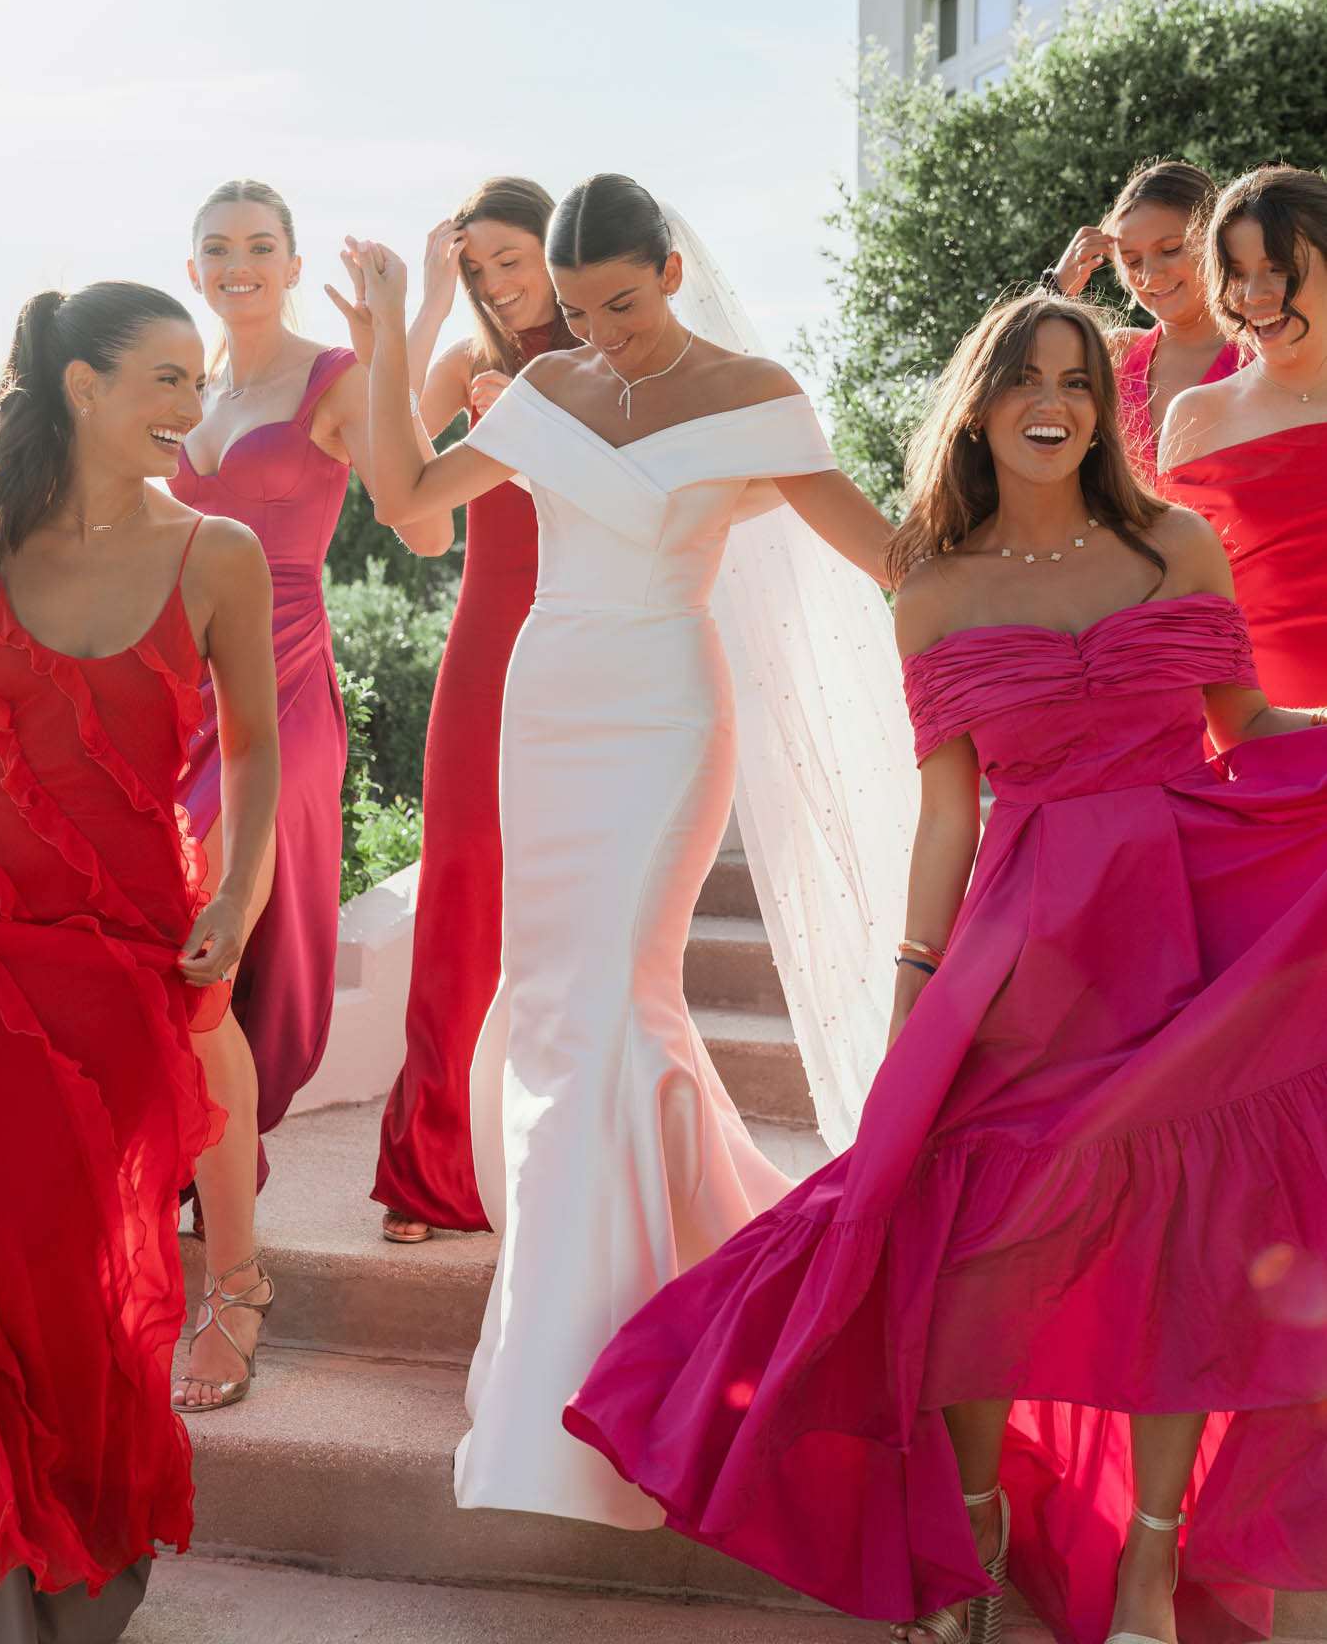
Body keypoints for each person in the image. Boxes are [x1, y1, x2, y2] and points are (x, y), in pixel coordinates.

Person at [567, 291, 1327, 1644]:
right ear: (978, 405)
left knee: (1183, 1243)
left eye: (1080, 380)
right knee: (974, 1245)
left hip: (1184, 922)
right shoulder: (931, 590)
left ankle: (1150, 1573)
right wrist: (917, 973)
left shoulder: (1175, 543)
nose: (1055, 402)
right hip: (1029, 938)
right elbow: (948, 807)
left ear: (1104, 407)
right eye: (1025, 379)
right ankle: (968, 1530)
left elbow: (1249, 724)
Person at [352, 172, 901, 1528]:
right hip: (548, 708)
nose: (606, 333)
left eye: (625, 303)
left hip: (663, 710)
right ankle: (641, 1292)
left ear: (670, 267)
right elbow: (407, 491)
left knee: (613, 998)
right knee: (552, 1009)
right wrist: (383, 343)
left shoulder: (754, 392)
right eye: (583, 310)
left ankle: (595, 1355)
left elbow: (886, 553)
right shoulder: (545, 395)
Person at [0, 284, 277, 1641]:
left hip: (139, 957)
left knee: (85, 1283)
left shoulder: (219, 553)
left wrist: (246, 894)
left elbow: (258, 749)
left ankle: (75, 1553)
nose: (186, 408)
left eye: (198, 384)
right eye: (162, 378)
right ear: (81, 387)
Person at [169, 177, 441, 1412]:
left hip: (275, 681)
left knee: (225, 936)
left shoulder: (332, 375)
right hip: (165, 680)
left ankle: (231, 1245)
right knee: (155, 922)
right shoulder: (185, 389)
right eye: (218, 247)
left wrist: (393, 342)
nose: (239, 264)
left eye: (260, 246)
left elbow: (409, 504)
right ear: (194, 265)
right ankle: (193, 1155)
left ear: (288, 262)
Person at [367, 177, 575, 1245]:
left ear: (556, 247)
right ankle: (432, 1163)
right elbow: (394, 476)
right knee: (458, 878)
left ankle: (550, 1155)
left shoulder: (609, 348)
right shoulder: (469, 359)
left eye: (511, 258)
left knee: (568, 903)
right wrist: (429, 307)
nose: (497, 280)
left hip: (591, 643)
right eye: (477, 263)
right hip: (487, 645)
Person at [1160, 165, 1327, 703]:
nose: (1254, 296)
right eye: (1236, 272)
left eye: (1278, 269)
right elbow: (1179, 613)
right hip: (1265, 762)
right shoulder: (1197, 418)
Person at [1045, 159, 1238, 482]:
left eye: (1170, 249)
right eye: (1132, 261)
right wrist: (1054, 292)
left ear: (1215, 239)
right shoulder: (1114, 354)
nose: (1149, 274)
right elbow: (1001, 385)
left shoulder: (1267, 352)